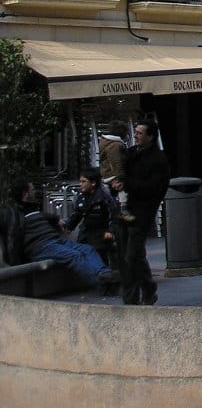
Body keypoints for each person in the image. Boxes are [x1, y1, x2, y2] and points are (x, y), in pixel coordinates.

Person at [0, 180, 116, 287]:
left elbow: (43, 215)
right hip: (40, 246)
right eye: (32, 190)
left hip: (56, 241)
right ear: (25, 195)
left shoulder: (34, 210)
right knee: (74, 255)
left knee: (87, 249)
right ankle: (101, 282)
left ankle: (105, 274)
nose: (35, 192)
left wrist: (56, 218)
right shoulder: (11, 214)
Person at [112, 119, 169, 305]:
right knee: (126, 256)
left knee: (132, 255)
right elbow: (122, 175)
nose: (135, 136)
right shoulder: (131, 154)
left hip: (143, 212)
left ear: (150, 137)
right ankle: (132, 296)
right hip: (125, 210)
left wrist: (128, 184)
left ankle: (146, 287)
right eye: (135, 132)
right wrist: (117, 184)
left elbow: (154, 188)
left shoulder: (158, 160)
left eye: (140, 133)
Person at [64, 168, 119, 267]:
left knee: (100, 259)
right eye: (80, 181)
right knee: (85, 257)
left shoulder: (104, 197)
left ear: (93, 183)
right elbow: (77, 213)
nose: (81, 184)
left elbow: (113, 214)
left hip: (100, 234)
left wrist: (110, 231)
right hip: (85, 233)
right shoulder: (82, 197)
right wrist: (69, 226)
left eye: (84, 181)